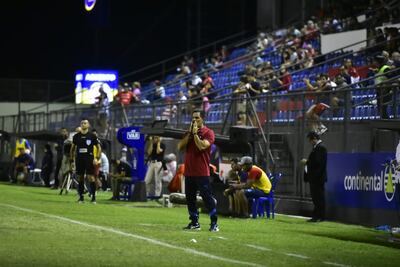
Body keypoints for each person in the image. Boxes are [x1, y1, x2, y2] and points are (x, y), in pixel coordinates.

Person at [177, 109, 219, 232]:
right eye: (193, 118)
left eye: (197, 118)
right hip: (189, 172)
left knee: (207, 198)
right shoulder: (188, 133)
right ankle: (194, 222)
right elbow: (180, 147)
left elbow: (202, 146)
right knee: (190, 198)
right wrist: (190, 134)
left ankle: (214, 223)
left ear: (203, 119)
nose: (194, 120)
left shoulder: (209, 132)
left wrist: (195, 135)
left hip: (201, 172)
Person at [70, 119, 101, 204]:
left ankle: (93, 197)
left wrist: (97, 158)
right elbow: (72, 149)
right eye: (82, 123)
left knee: (90, 177)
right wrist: (72, 160)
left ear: (88, 125)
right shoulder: (76, 136)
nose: (83, 124)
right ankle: (81, 197)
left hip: (89, 159)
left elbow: (99, 147)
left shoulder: (92, 136)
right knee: (80, 177)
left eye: (85, 123)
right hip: (79, 159)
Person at [301, 131, 327, 222]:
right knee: (316, 198)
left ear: (314, 139)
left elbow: (317, 163)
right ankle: (317, 216)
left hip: (317, 178)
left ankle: (319, 216)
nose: (310, 142)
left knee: (318, 197)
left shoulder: (320, 148)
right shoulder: (317, 148)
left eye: (310, 140)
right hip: (315, 178)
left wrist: (306, 162)